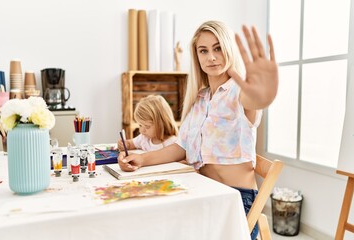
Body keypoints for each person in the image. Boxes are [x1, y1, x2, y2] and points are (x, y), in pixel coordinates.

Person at [118, 20, 278, 240]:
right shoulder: (200, 99)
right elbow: (181, 146)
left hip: (236, 200)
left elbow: (255, 101)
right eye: (204, 50)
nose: (211, 57)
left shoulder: (239, 92)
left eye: (218, 48)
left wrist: (263, 93)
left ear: (229, 49)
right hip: (203, 191)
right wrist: (142, 159)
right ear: (197, 57)